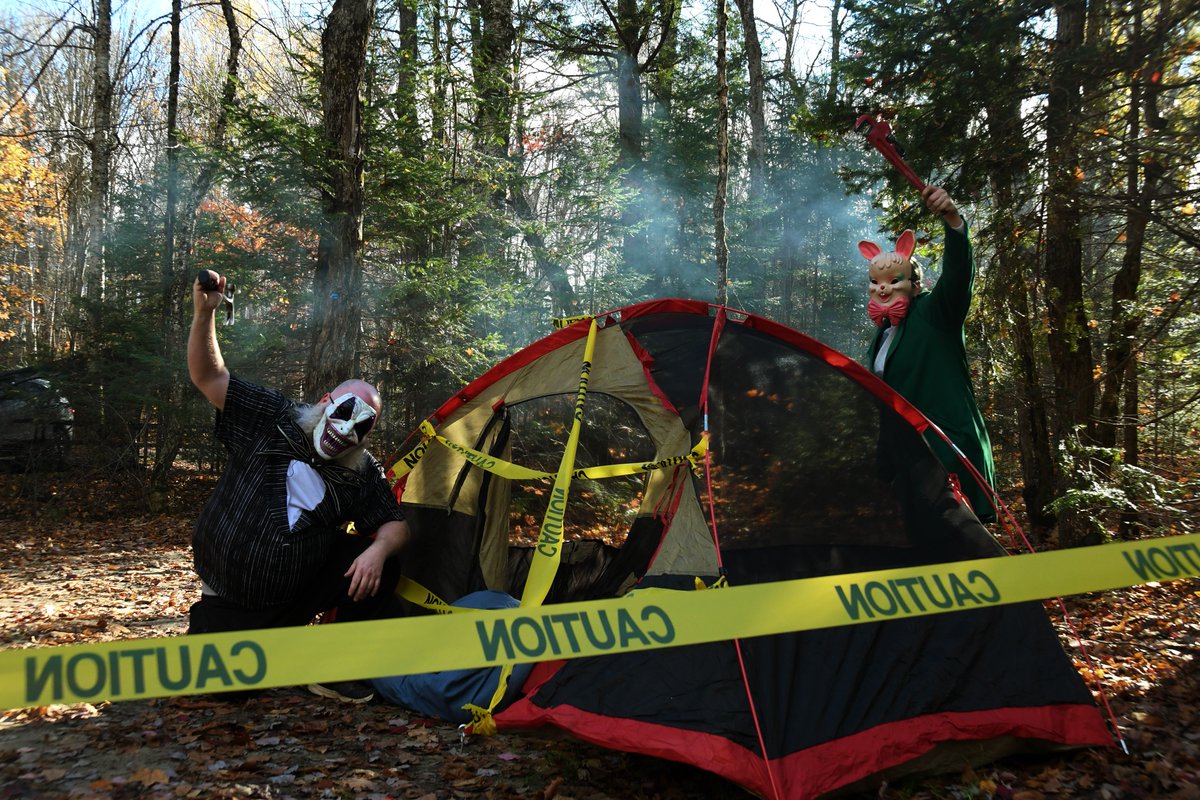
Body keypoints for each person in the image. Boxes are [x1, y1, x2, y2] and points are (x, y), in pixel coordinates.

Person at [187, 269, 410, 703]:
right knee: (223, 693)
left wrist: (378, 551)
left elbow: (395, 523)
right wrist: (204, 314)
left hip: (292, 600)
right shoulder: (273, 418)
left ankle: (332, 668)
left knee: (384, 566)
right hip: (228, 594)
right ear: (326, 401)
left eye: (362, 426)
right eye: (344, 412)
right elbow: (209, 377)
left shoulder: (359, 471)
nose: (346, 430)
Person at [862, 185, 996, 523]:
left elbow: (957, 277)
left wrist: (953, 221)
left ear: (915, 284)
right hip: (907, 461)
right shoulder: (882, 335)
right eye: (876, 281)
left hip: (948, 454)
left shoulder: (935, 314)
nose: (883, 288)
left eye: (894, 280)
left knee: (959, 543)